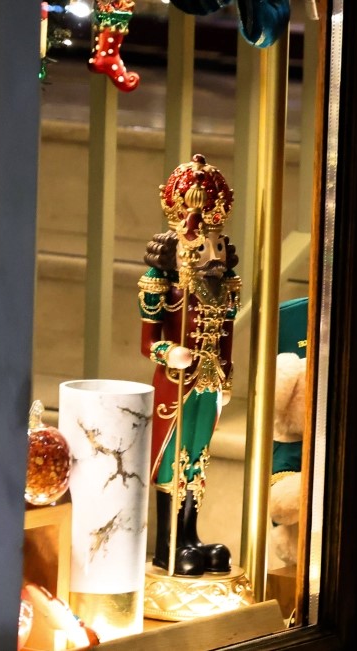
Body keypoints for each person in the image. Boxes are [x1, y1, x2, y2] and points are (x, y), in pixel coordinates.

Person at [138, 154, 241, 576]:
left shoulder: (222, 288)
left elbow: (228, 335)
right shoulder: (161, 282)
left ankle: (192, 533)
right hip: (177, 382)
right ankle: (168, 545)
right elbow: (149, 342)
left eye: (217, 246)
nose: (212, 255)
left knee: (198, 459)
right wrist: (169, 354)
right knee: (171, 460)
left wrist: (228, 371)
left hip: (210, 381)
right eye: (202, 247)